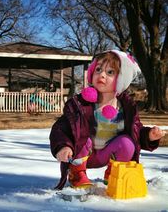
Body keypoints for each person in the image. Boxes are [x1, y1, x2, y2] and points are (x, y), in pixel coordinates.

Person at [50, 50, 166, 190]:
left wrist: (148, 135)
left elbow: (135, 130)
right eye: (98, 69)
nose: (102, 75)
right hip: (81, 154)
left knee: (127, 142)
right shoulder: (80, 105)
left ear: (121, 80)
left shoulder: (125, 107)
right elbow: (60, 128)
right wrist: (63, 146)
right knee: (83, 135)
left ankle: (114, 173)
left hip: (107, 155)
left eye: (110, 72)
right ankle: (77, 173)